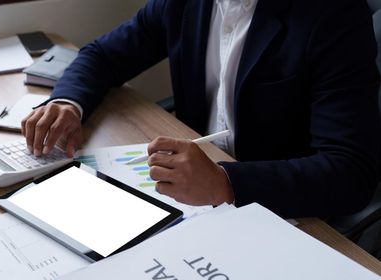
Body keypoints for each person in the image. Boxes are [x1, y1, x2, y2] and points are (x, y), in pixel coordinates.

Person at [21, 0, 381, 218]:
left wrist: (226, 183)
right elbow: (103, 55)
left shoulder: (334, 16)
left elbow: (351, 173)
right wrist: (68, 103)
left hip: (278, 209)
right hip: (187, 197)